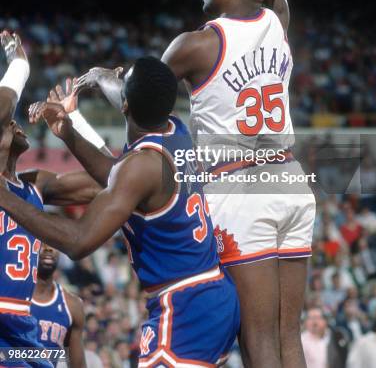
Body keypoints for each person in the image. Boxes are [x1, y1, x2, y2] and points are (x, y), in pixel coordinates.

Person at [74, 0, 316, 368]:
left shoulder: (196, 44)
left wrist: (100, 81)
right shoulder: (278, 17)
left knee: (259, 342)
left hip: (240, 186)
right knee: (288, 336)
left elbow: (146, 98)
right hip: (291, 181)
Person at [0, 57, 240, 367]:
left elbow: (78, 241)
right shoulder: (175, 131)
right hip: (213, 295)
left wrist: (4, 198)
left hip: (185, 305)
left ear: (125, 105)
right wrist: (71, 131)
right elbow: (118, 176)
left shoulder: (139, 166)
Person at [0, 32, 101, 368]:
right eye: (8, 123)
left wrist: (74, 124)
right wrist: (19, 63)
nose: (16, 124)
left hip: (21, 331)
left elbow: (108, 183)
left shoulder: (35, 186)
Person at [31, 244, 86, 368]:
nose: (48, 248)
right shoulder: (12, 296)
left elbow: (78, 365)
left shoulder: (72, 305)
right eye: (41, 243)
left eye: (52, 243)